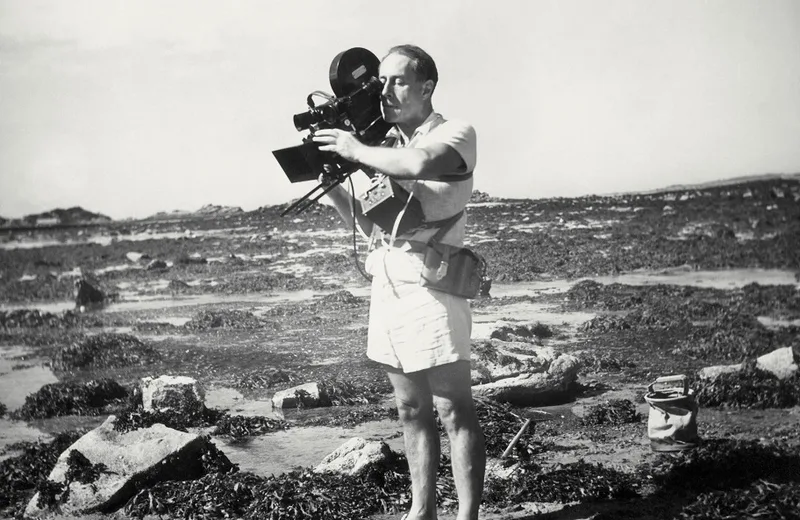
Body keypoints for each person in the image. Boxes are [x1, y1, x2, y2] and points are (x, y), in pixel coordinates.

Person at [312, 44, 485, 520]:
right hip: (388, 281)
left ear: (427, 86)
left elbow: (418, 165)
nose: (385, 92)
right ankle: (421, 511)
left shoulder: (456, 134)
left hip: (434, 285)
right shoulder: (383, 148)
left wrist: (356, 150)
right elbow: (374, 229)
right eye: (379, 83)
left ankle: (467, 516)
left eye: (398, 81)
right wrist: (334, 190)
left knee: (453, 409)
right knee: (410, 410)